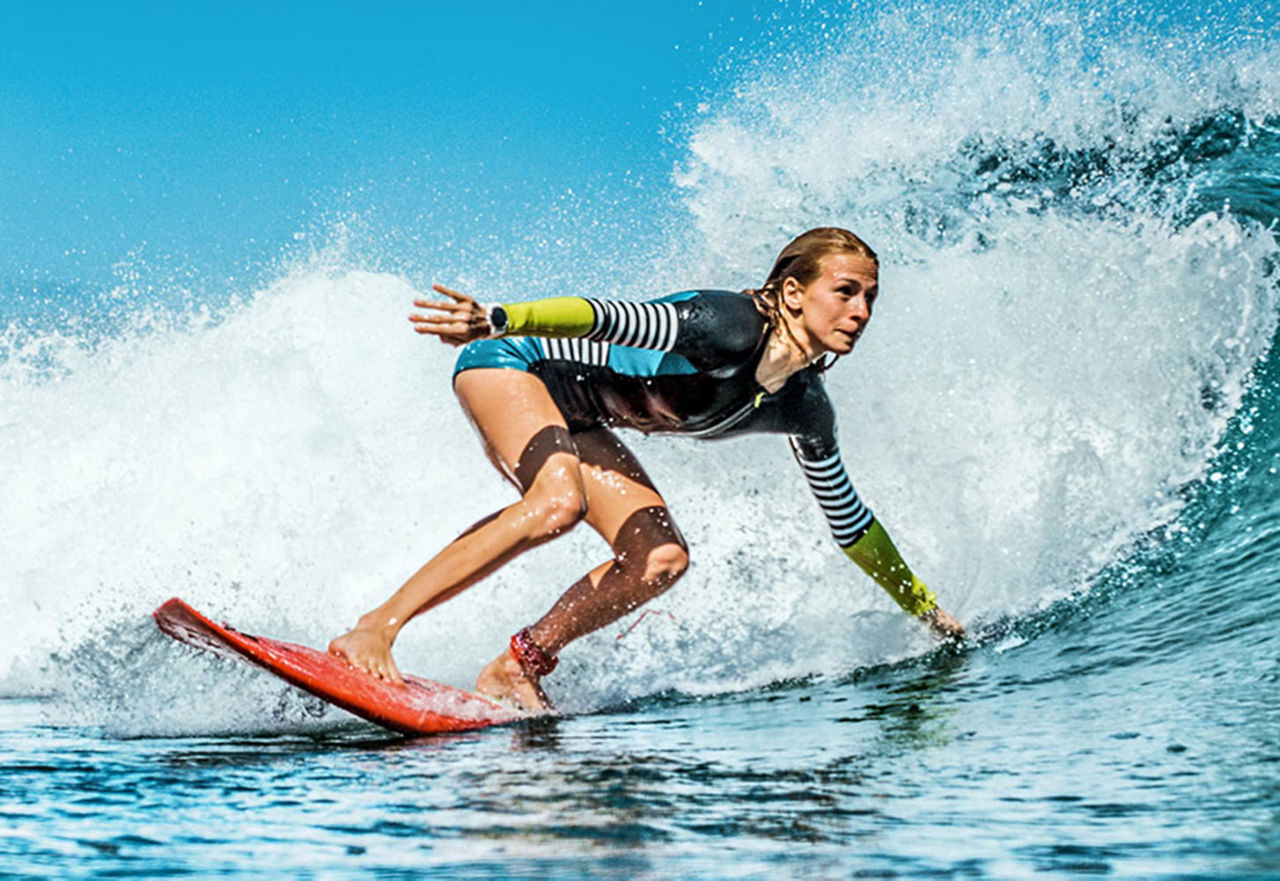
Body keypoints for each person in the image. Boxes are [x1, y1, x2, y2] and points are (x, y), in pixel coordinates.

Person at [329, 227, 964, 712]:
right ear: (794, 293)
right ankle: (374, 628)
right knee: (557, 504)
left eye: (870, 298)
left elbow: (849, 522)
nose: (860, 310)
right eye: (845, 291)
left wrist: (925, 610)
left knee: (661, 559)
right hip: (516, 361)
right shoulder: (725, 325)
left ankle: (517, 665)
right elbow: (607, 314)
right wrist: (500, 316)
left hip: (581, 416)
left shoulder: (804, 408)